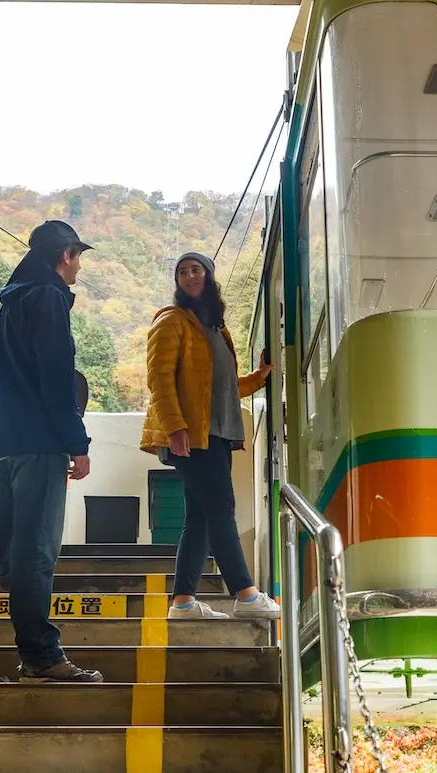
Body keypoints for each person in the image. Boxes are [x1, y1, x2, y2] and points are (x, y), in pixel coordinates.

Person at [0, 220, 102, 683]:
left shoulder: (12, 302)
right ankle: (40, 657)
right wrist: (76, 443)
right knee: (35, 552)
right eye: (78, 257)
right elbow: (56, 378)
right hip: (38, 445)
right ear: (66, 255)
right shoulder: (48, 297)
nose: (78, 268)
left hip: (2, 446)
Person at [140, 252, 281, 620]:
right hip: (191, 434)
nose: (189, 276)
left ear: (209, 276)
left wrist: (260, 377)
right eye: (182, 272)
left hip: (215, 432)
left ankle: (183, 602)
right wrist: (175, 427)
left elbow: (224, 388)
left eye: (196, 269)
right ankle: (245, 594)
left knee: (200, 517)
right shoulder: (171, 320)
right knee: (221, 508)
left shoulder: (215, 328)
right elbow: (159, 379)